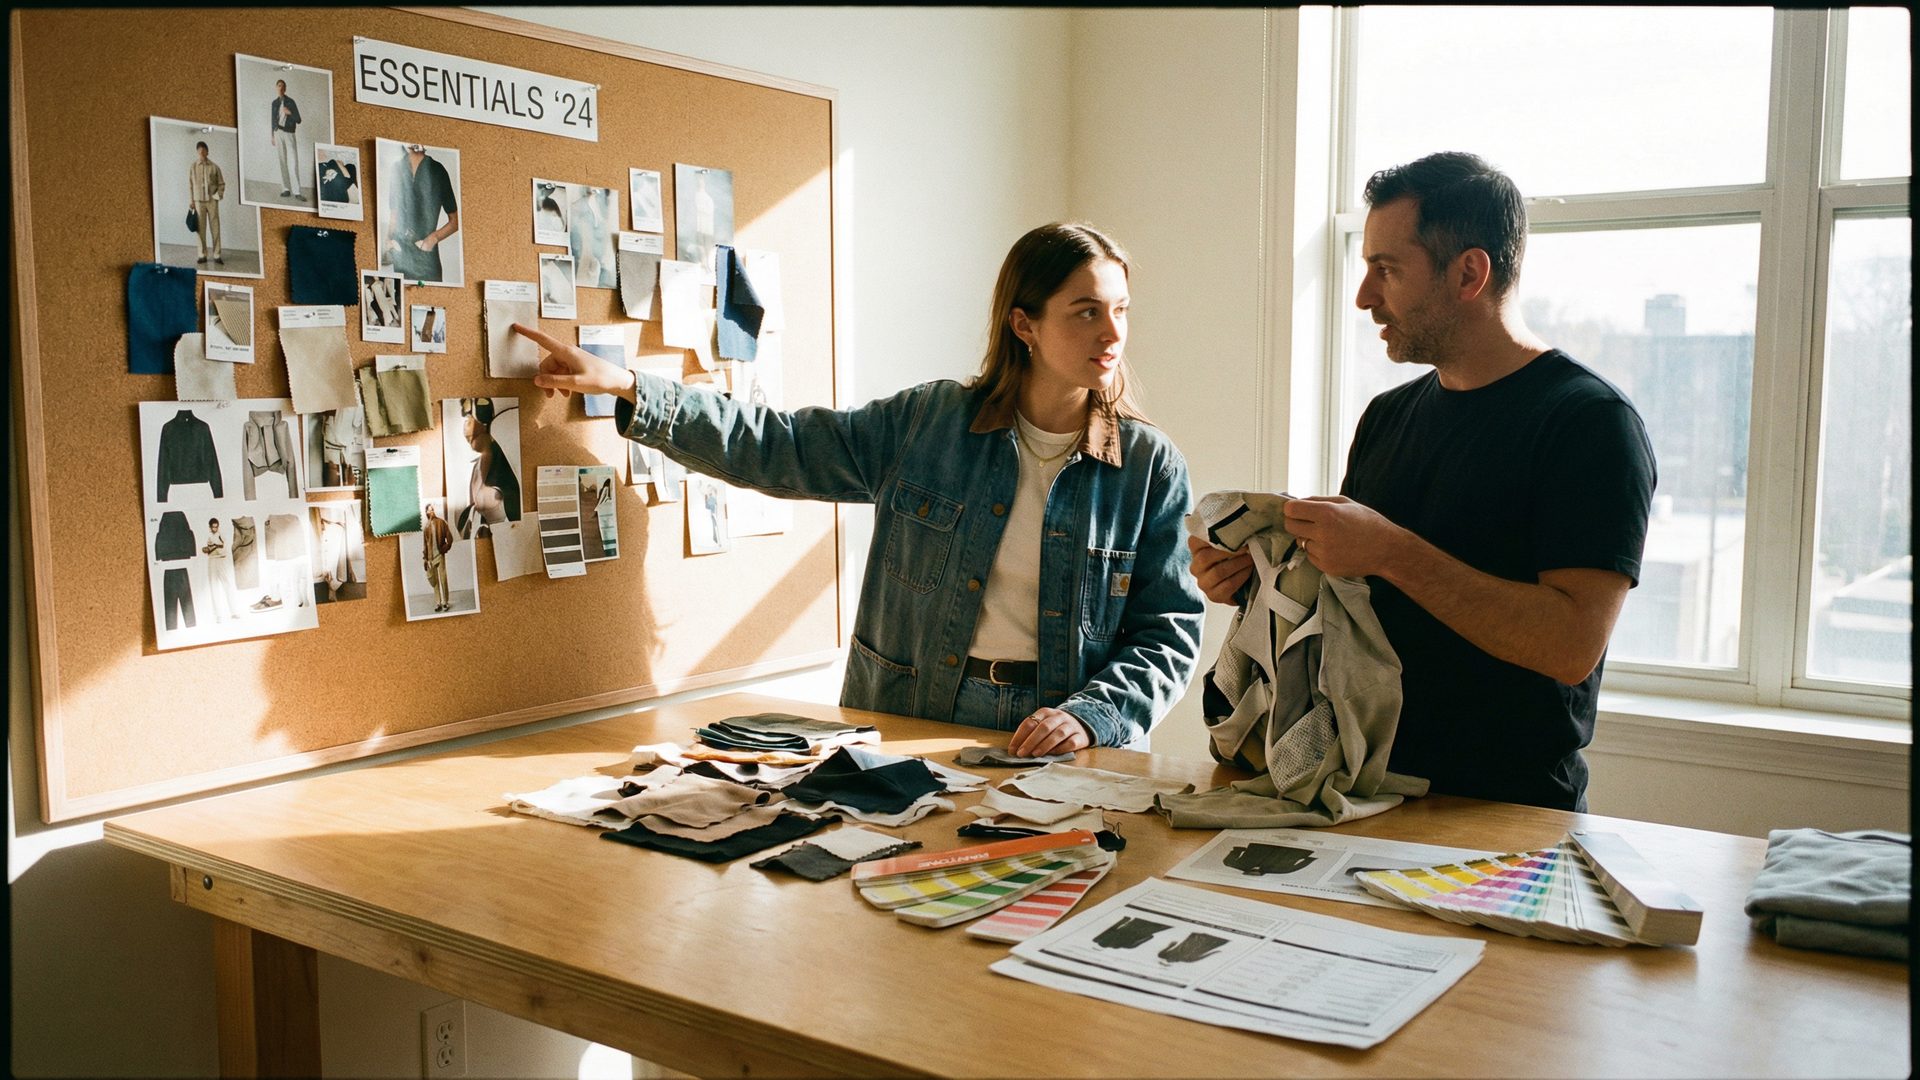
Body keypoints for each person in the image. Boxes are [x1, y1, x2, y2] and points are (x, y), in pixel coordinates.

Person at [514, 222, 1205, 756]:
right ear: (1024, 324)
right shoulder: (929, 425)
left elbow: (1167, 633)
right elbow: (779, 445)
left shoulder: (1148, 467)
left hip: (1063, 739)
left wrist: (1090, 717)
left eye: (1121, 309)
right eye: (1086, 311)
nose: (1113, 333)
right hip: (918, 718)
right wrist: (636, 389)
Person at [1188, 152, 1656, 812]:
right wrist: (1253, 578)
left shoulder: (1589, 425)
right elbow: (1360, 611)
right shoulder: (1387, 417)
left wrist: (1389, 551)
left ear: (1469, 273)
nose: (1364, 296)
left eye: (1387, 269)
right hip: (1360, 793)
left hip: (1504, 816)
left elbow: (1570, 644)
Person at [384, 143, 459, 282]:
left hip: (426, 260)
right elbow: (393, 215)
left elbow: (455, 222)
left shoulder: (438, 170)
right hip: (401, 256)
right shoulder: (396, 168)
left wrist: (432, 239)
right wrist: (388, 241)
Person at [456, 398, 521, 539]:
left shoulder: (510, 462)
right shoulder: (475, 468)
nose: (466, 427)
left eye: (470, 418)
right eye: (467, 418)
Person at [187, 140, 223, 266]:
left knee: (215, 228)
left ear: (207, 152)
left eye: (203, 150)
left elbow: (221, 184)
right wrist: (191, 200)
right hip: (198, 201)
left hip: (212, 201)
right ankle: (202, 255)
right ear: (197, 152)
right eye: (199, 150)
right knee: (200, 229)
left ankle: (217, 255)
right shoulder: (193, 166)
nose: (201, 152)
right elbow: (190, 185)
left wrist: (217, 196)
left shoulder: (214, 167)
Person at [270, 79, 302, 198]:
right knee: (281, 161)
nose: (280, 89)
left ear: (285, 89)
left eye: (282, 87)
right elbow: (272, 120)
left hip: (289, 133)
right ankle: (286, 189)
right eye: (278, 86)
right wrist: (272, 135)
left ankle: (297, 192)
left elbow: (298, 119)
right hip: (278, 133)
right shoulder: (274, 103)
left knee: (293, 162)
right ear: (276, 88)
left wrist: (290, 113)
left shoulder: (291, 102)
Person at [422, 502, 453, 612]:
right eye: (428, 510)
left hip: (439, 555)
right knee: (435, 581)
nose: (430, 512)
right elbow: (425, 544)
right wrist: (425, 558)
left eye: (432, 510)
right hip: (431, 558)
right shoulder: (426, 527)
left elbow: (450, 539)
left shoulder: (441, 523)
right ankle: (438, 603)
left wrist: (444, 549)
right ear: (426, 512)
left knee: (443, 579)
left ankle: (446, 602)